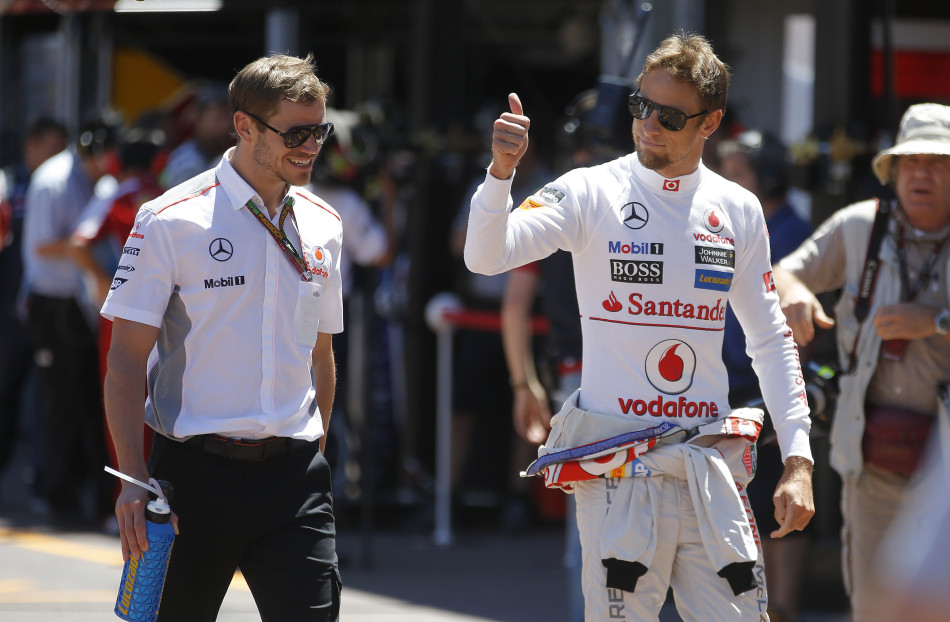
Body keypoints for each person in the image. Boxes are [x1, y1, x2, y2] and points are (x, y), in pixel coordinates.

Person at [465, 32, 815, 621]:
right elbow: (485, 256)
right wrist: (500, 174)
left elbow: (771, 339)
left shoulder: (738, 208)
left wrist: (799, 459)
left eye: (670, 116)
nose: (649, 124)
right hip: (617, 467)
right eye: (641, 106)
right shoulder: (589, 189)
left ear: (710, 123)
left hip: (708, 464)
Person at [102, 53, 344, 621]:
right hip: (192, 479)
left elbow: (322, 353)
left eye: (320, 131)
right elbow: (125, 361)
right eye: (296, 133)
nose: (311, 146)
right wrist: (133, 479)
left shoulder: (325, 222)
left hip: (293, 480)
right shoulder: (169, 219)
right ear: (244, 126)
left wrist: (315, 454)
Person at [772, 102, 950, 622]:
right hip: (871, 463)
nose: (922, 173)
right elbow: (784, 272)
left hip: (943, 468)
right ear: (893, 171)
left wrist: (935, 322)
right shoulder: (860, 226)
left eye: (937, 162)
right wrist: (795, 293)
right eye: (911, 161)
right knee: (873, 606)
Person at [717, 130, 814, 622]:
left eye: (739, 173)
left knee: (779, 500)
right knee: (743, 505)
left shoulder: (792, 232)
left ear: (770, 177)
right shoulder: (732, 225)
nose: (727, 182)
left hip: (772, 389)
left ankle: (782, 610)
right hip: (731, 387)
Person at [20, 114, 120, 527]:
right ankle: (54, 493)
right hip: (53, 302)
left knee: (87, 401)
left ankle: (81, 492)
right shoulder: (54, 180)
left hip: (81, 304)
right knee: (59, 402)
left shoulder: (97, 182)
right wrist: (89, 248)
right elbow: (43, 245)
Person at [0, 116, 67, 502]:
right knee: (5, 396)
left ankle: (46, 483)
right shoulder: (7, 186)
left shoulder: (64, 186)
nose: (56, 156)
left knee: (49, 403)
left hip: (46, 309)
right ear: (31, 145)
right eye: (50, 147)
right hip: (8, 314)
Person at [160, 82, 234, 189]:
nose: (226, 125)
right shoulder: (186, 162)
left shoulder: (232, 157)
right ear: (198, 118)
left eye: (230, 118)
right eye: (219, 118)